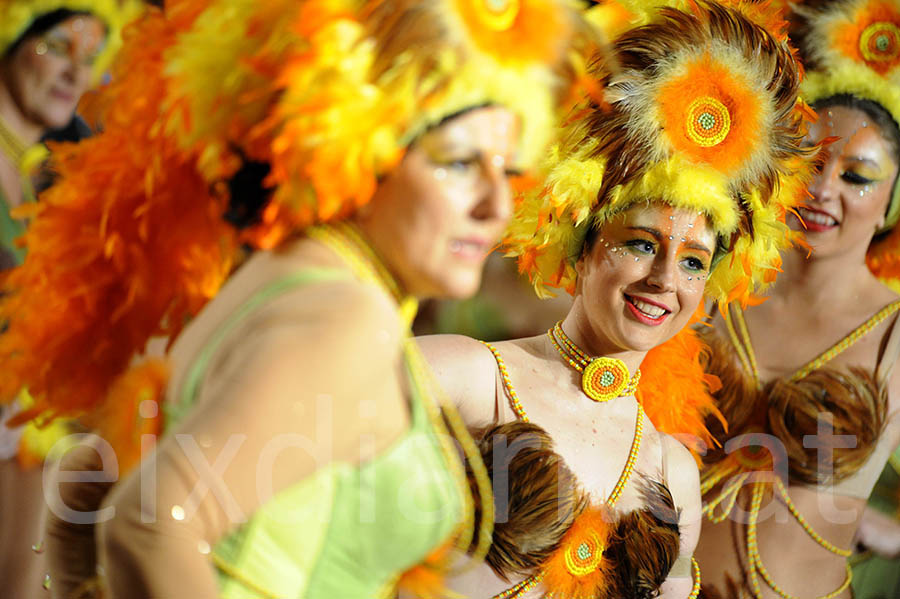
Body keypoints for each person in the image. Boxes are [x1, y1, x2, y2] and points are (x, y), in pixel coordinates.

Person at [0, 0, 597, 597]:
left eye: (507, 169)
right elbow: (151, 525)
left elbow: (89, 479)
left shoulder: (299, 276)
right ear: (364, 147)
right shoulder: (347, 315)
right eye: (459, 163)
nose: (496, 205)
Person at [416, 1, 812, 598]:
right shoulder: (466, 377)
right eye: (640, 243)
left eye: (693, 262)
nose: (663, 279)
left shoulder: (671, 473)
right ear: (581, 243)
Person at [695, 1, 900, 597]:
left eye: (857, 175)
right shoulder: (707, 280)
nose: (823, 188)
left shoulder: (893, 334)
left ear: (890, 202)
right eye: (809, 160)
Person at [0, 3, 128, 597]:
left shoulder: (41, 175)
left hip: (30, 440)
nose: (75, 74)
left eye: (90, 57)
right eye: (57, 46)